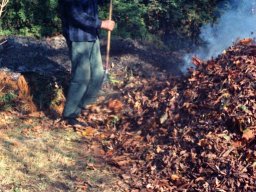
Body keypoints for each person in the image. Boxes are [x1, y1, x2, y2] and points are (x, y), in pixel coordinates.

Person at [59, 0, 115, 127]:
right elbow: (76, 14)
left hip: (91, 35)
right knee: (81, 77)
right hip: (78, 37)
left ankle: (86, 108)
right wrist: (102, 23)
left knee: (98, 74)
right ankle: (69, 115)